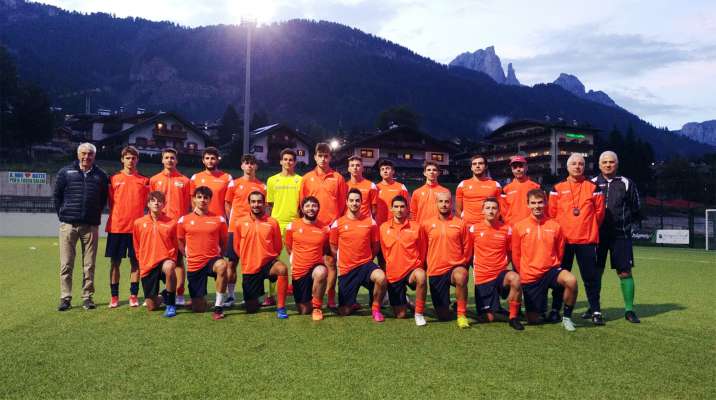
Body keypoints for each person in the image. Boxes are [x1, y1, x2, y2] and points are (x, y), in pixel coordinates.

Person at [548, 153, 606, 325]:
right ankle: (555, 310)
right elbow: (551, 215)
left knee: (590, 278)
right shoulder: (557, 188)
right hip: (563, 242)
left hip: (586, 241)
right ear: (567, 167)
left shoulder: (593, 188)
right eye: (573, 163)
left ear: (584, 167)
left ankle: (595, 310)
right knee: (560, 279)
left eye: (581, 163)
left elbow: (599, 215)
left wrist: (587, 227)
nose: (577, 166)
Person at [512, 189, 578, 331]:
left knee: (571, 281)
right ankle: (537, 308)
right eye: (533, 203)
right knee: (534, 320)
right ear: (528, 205)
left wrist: (553, 266)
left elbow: (560, 252)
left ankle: (566, 318)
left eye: (540, 202)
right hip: (530, 276)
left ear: (546, 203)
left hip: (551, 271)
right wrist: (523, 273)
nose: (537, 206)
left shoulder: (555, 225)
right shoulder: (519, 226)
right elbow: (516, 255)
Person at [54, 143, 109, 311]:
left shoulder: (101, 175)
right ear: (78, 155)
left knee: (89, 264)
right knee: (66, 264)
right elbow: (57, 196)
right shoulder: (65, 172)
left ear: (94, 156)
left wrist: (93, 217)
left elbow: (102, 200)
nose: (87, 157)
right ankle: (65, 297)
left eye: (90, 154)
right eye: (84, 154)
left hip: (90, 226)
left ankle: (87, 297)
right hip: (69, 225)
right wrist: (63, 215)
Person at [592, 151, 642, 323]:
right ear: (599, 165)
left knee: (625, 272)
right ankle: (594, 308)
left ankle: (629, 310)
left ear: (617, 164)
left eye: (611, 162)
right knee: (595, 273)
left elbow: (636, 209)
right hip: (596, 236)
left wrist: (625, 225)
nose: (608, 165)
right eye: (604, 162)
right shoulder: (591, 184)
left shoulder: (627, 183)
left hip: (621, 236)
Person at [300, 142, 348, 308]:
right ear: (315, 157)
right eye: (320, 156)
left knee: (330, 263)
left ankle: (331, 297)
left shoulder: (338, 178)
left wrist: (335, 224)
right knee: (308, 261)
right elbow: (302, 204)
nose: (323, 159)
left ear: (330, 157)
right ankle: (310, 295)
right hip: (312, 228)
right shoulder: (306, 178)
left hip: (331, 228)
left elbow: (342, 205)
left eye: (326, 156)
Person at [329, 189, 387, 321]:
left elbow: (375, 245)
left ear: (362, 203)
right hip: (347, 269)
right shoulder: (338, 223)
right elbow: (333, 247)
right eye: (351, 200)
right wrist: (343, 260)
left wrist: (368, 260)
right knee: (344, 311)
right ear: (346, 202)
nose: (354, 203)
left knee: (381, 278)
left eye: (357, 200)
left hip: (365, 265)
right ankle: (352, 303)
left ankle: (375, 309)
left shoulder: (370, 223)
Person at [469, 197, 524, 330]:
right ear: (482, 211)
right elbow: (469, 252)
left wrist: (504, 265)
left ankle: (513, 317)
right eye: (487, 208)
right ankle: (496, 310)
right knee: (488, 318)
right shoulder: (474, 229)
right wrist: (478, 266)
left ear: (499, 211)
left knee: (515, 278)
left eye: (494, 208)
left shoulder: (507, 229)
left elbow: (511, 251)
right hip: (483, 277)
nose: (491, 211)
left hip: (500, 275)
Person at [233, 191, 290, 319]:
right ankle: (257, 296)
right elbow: (237, 246)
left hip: (268, 264)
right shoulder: (240, 222)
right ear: (249, 203)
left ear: (264, 204)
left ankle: (281, 307)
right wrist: (248, 259)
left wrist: (269, 257)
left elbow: (278, 246)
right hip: (250, 267)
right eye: (253, 201)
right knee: (251, 309)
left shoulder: (272, 222)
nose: (256, 204)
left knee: (282, 268)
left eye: (259, 202)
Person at [105, 146, 149, 308]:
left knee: (135, 263)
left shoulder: (144, 181)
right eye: (128, 158)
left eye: (134, 158)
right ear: (122, 159)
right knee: (115, 263)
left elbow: (146, 204)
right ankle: (114, 297)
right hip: (117, 227)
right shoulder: (114, 179)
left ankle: (133, 295)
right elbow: (111, 202)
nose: (131, 161)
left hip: (136, 229)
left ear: (137, 160)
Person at [177, 186, 229, 320]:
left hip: (212, 260)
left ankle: (218, 307)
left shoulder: (219, 220)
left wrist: (219, 256)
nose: (202, 200)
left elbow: (224, 241)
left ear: (210, 200)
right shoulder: (184, 220)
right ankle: (199, 301)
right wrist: (187, 255)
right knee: (198, 308)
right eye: (199, 197)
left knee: (223, 266)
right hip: (195, 264)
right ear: (194, 199)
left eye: (206, 197)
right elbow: (180, 241)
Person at [421, 192, 472, 328]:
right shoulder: (426, 225)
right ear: (436, 203)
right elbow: (423, 248)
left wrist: (463, 265)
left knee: (460, 277)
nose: (444, 204)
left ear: (452, 204)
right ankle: (449, 306)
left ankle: (461, 315)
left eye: (447, 202)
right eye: (441, 201)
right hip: (436, 270)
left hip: (455, 268)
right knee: (443, 316)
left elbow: (467, 248)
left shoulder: (460, 224)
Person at [150, 148, 191, 306]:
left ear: (177, 160)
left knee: (179, 261)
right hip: (160, 226)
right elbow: (151, 203)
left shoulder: (185, 180)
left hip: (178, 227)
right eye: (166, 157)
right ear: (162, 160)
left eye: (172, 158)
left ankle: (179, 294)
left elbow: (188, 205)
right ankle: (155, 293)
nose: (169, 160)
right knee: (156, 260)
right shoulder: (154, 180)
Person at [224, 154, 266, 307]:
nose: (249, 166)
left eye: (252, 163)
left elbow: (264, 208)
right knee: (232, 264)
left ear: (256, 166)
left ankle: (254, 295)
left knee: (256, 264)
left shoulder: (262, 186)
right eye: (246, 163)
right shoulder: (233, 184)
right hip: (235, 229)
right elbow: (227, 204)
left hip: (254, 231)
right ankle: (230, 296)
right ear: (242, 166)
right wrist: (234, 222)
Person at [379, 195, 427, 326]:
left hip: (412, 270)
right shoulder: (383, 228)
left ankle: (419, 313)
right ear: (391, 209)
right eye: (396, 207)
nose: (399, 209)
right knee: (401, 315)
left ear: (407, 209)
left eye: (402, 206)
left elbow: (423, 249)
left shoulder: (417, 227)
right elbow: (384, 252)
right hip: (394, 274)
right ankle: (407, 301)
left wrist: (419, 265)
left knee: (421, 276)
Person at [132, 191, 178, 317]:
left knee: (169, 267)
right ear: (148, 204)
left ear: (164, 204)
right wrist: (141, 261)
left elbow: (175, 243)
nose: (156, 203)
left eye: (159, 201)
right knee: (151, 306)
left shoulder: (172, 222)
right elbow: (136, 244)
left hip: (165, 259)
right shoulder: (138, 223)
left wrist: (172, 260)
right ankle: (164, 295)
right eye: (153, 200)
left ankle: (171, 304)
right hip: (147, 263)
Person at [266, 148, 303, 301]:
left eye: (291, 160)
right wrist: (269, 223)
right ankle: (271, 295)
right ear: (281, 161)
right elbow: (269, 205)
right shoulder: (272, 180)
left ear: (295, 162)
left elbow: (302, 204)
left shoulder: (300, 180)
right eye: (285, 159)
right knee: (272, 259)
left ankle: (296, 290)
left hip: (294, 224)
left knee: (296, 259)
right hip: (276, 224)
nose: (288, 162)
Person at [285, 196, 330, 320]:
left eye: (314, 206)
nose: (311, 208)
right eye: (308, 206)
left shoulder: (325, 228)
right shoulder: (292, 226)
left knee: (321, 272)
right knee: (304, 310)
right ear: (302, 208)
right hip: (299, 271)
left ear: (318, 208)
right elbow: (289, 247)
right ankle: (310, 293)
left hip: (316, 266)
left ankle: (317, 307)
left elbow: (326, 249)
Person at [455, 154, 502, 226]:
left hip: (488, 226)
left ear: (486, 166)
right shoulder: (462, 184)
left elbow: (500, 209)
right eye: (474, 164)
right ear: (471, 167)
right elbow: (458, 210)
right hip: (468, 226)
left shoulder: (496, 185)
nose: (477, 166)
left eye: (480, 163)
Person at [189, 147, 232, 218]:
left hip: (219, 219)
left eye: (212, 158)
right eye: (207, 158)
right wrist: (196, 216)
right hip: (200, 218)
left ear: (218, 160)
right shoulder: (195, 177)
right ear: (203, 160)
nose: (210, 161)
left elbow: (229, 203)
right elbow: (193, 201)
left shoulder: (227, 178)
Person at [501, 155, 541, 226]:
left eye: (521, 166)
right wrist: (508, 223)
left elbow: (543, 208)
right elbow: (503, 211)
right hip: (513, 227)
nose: (518, 169)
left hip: (531, 226)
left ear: (526, 167)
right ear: (512, 170)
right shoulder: (506, 189)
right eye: (515, 167)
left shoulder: (536, 187)